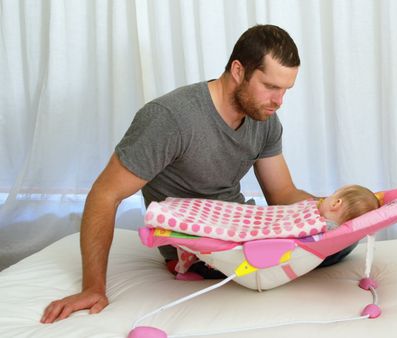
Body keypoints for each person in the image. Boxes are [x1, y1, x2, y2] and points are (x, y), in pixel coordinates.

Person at [41, 24, 334, 323]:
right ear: (237, 70)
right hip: (197, 249)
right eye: (271, 87)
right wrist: (93, 287)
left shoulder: (265, 118)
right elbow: (105, 193)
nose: (279, 101)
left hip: (241, 232)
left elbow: (283, 193)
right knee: (311, 252)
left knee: (338, 241)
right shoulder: (170, 118)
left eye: (285, 90)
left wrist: (335, 208)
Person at [152, 184, 379, 279]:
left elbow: (287, 234)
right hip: (262, 228)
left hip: (255, 257)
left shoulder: (323, 230)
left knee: (223, 252)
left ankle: (188, 263)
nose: (322, 199)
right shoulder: (335, 234)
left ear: (336, 203)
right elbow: (279, 217)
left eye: (330, 195)